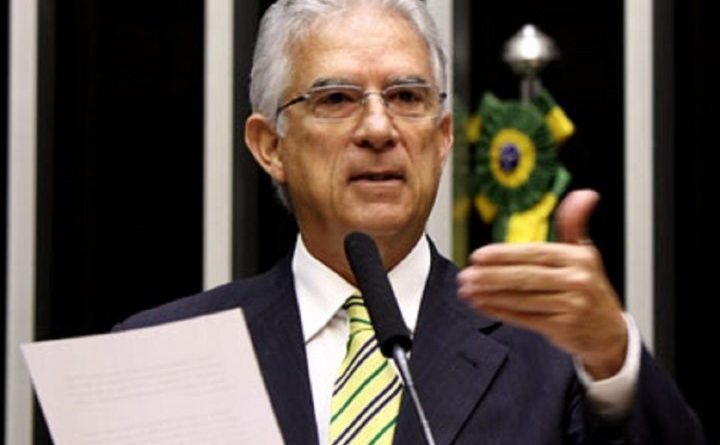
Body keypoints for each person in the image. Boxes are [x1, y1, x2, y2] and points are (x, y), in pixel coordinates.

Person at [115, 0, 705, 443]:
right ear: (270, 146)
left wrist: (612, 356)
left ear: (443, 138)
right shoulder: (157, 357)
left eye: (405, 97)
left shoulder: (548, 356)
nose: (379, 129)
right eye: (336, 98)